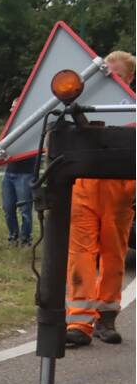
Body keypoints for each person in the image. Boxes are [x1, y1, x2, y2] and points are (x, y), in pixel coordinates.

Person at [65, 50, 137, 346]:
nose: (108, 80)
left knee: (113, 256)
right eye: (105, 74)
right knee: (81, 255)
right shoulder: (82, 104)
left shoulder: (132, 110)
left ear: (129, 79)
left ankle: (105, 320)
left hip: (120, 192)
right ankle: (79, 323)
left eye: (115, 76)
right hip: (85, 188)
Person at [2, 98, 37, 246]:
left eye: (14, 107)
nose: (11, 110)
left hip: (25, 173)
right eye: (11, 107)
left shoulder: (31, 126)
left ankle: (25, 239)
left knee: (25, 209)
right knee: (8, 208)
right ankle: (13, 237)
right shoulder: (9, 128)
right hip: (10, 172)